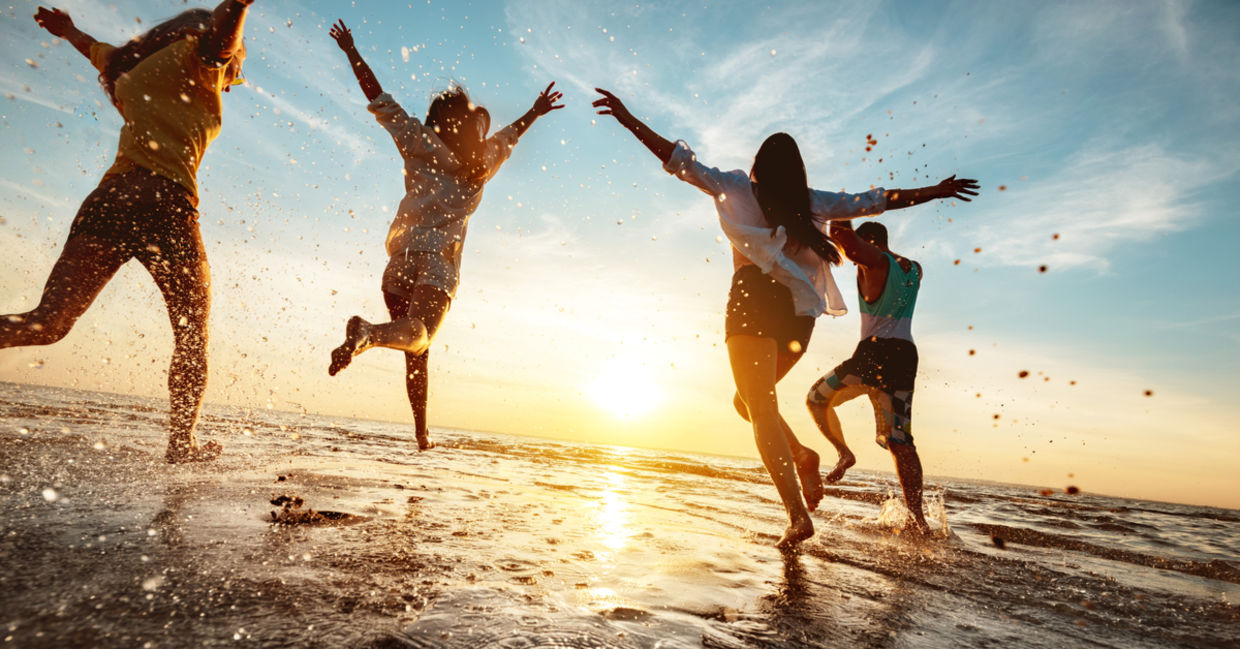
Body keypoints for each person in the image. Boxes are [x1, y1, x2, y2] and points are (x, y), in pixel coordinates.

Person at [592, 88, 978, 548]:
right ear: (798, 171)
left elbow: (678, 160)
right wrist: (935, 192)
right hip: (799, 317)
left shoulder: (736, 186)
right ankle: (802, 454)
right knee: (751, 403)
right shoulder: (813, 202)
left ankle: (797, 515)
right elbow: (876, 199)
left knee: (759, 409)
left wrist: (626, 118)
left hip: (753, 301)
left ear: (758, 164)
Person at [2, 2, 254, 463]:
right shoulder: (198, 60)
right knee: (192, 333)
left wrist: (67, 29)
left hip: (111, 199)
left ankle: (183, 444)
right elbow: (221, 48)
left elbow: (92, 49)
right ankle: (182, 444)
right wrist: (239, 6)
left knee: (48, 322)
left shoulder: (127, 64)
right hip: (167, 205)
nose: (236, 67)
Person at [325, 20, 564, 451]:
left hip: (398, 261)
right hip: (437, 263)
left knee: (417, 348)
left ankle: (421, 435)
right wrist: (536, 110)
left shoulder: (418, 140)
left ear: (438, 119)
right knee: (417, 334)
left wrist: (351, 51)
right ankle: (367, 333)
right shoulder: (482, 163)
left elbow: (378, 99)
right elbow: (512, 134)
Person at [806, 220, 943, 535]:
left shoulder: (875, 262)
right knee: (900, 439)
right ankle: (917, 519)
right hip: (905, 356)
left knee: (816, 399)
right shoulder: (914, 268)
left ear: (868, 243)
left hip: (874, 354)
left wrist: (842, 212)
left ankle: (844, 452)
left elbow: (846, 243)